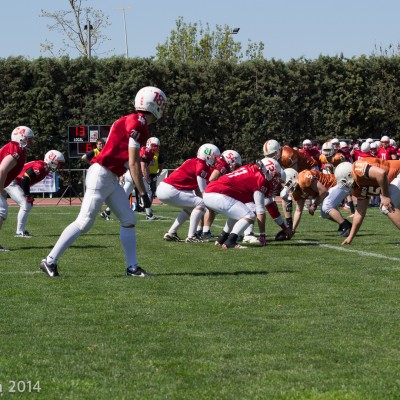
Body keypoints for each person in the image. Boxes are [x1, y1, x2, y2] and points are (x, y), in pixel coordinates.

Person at [39, 86, 167, 277]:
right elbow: (133, 162)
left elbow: (125, 158)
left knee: (128, 219)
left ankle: (132, 268)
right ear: (154, 104)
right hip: (102, 175)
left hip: (110, 177)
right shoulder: (138, 123)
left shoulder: (135, 121)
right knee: (84, 223)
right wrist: (142, 193)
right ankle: (49, 261)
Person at [204, 159, 288, 249]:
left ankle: (222, 238)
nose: (274, 181)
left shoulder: (250, 168)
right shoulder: (260, 178)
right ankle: (230, 241)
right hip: (218, 194)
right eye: (275, 175)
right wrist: (262, 235)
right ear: (267, 169)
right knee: (250, 215)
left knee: (239, 212)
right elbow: (260, 211)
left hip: (211, 192)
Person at [157, 143, 220, 243]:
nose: (216, 160)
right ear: (207, 156)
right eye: (215, 157)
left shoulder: (195, 162)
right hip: (170, 189)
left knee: (191, 207)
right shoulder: (201, 165)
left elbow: (197, 189)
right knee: (202, 203)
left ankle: (171, 233)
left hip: (166, 188)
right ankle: (192, 236)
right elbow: (203, 190)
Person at [336, 160, 400, 245]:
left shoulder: (357, 168)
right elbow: (360, 212)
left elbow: (381, 173)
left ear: (349, 175)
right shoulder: (356, 187)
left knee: (386, 206)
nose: (344, 185)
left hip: (397, 173)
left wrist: (385, 196)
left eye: (344, 181)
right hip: (394, 180)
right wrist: (350, 237)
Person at [5, 150, 65, 238]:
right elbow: (25, 179)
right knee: (26, 204)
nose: (60, 166)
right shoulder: (41, 166)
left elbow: (25, 180)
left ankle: (20, 231)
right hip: (12, 181)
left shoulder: (45, 168)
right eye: (59, 163)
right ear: (52, 161)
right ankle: (19, 232)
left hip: (13, 181)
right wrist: (27, 195)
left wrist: (27, 194)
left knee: (26, 204)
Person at [263, 139, 318, 230]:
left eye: (272, 155)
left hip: (309, 169)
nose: (270, 157)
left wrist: (289, 193)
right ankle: (289, 224)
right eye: (268, 155)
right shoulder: (278, 157)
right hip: (296, 171)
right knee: (284, 194)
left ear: (278, 150)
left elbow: (293, 175)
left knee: (298, 197)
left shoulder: (287, 155)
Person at [280, 167, 352, 236]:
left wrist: (314, 205)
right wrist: (292, 230)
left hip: (336, 183)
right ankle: (346, 224)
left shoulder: (304, 177)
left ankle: (346, 227)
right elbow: (298, 211)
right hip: (329, 190)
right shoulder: (296, 190)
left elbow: (323, 191)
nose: (291, 189)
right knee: (324, 214)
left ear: (294, 176)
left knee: (327, 206)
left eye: (290, 186)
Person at [0, 126, 34, 251]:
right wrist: (1, 189)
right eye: (29, 139)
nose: (30, 142)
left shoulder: (14, 147)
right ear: (21, 138)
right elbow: (2, 169)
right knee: (1, 210)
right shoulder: (16, 149)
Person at [198, 149, 242, 239]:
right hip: (209, 187)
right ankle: (205, 232)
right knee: (213, 209)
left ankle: (200, 230)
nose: (236, 167)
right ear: (231, 160)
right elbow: (212, 178)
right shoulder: (223, 164)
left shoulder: (220, 162)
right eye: (236, 164)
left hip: (207, 187)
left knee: (208, 209)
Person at [122, 137, 161, 220]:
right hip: (135, 174)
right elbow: (143, 167)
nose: (156, 148)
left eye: (157, 146)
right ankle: (149, 214)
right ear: (149, 144)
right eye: (154, 145)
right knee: (148, 192)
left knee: (123, 195)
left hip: (131, 174)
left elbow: (146, 167)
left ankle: (107, 212)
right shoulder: (146, 151)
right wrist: (148, 179)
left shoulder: (149, 152)